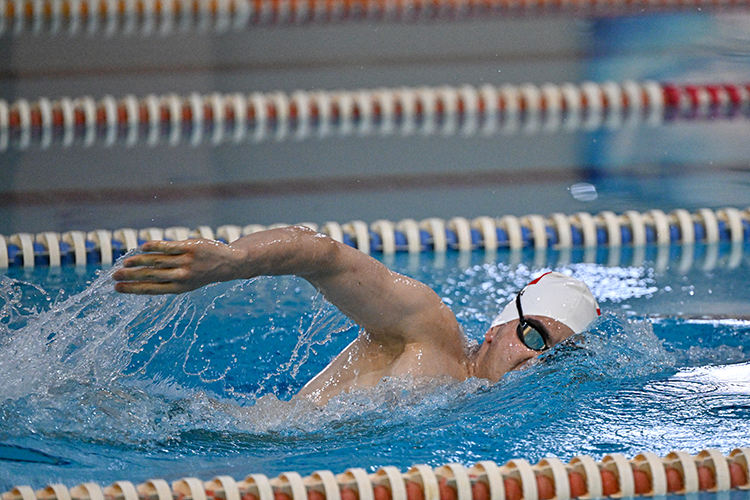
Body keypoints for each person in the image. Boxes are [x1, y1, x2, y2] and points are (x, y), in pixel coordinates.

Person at [113, 225, 600, 404]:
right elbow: (324, 255)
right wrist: (233, 260)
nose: (536, 360)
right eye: (534, 336)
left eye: (555, 356)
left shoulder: (475, 402)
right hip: (239, 442)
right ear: (496, 328)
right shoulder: (431, 332)